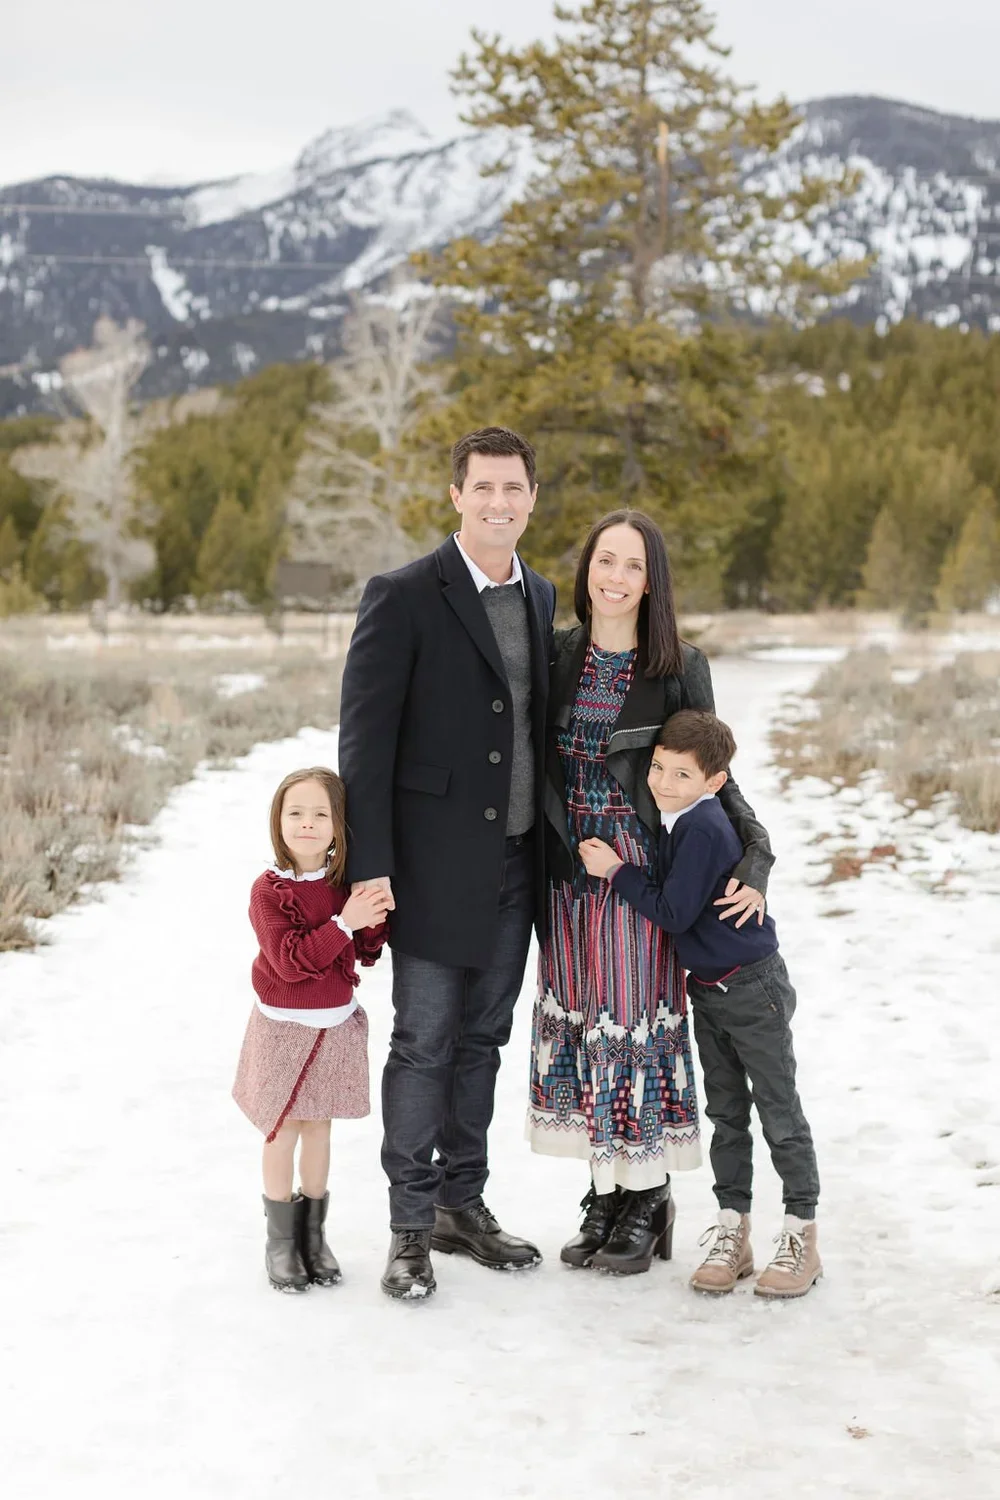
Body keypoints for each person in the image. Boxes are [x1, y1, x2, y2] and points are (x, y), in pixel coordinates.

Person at [338, 427, 557, 1300]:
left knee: (483, 1041)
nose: (499, 503)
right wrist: (371, 868)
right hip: (427, 867)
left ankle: (464, 1205)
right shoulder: (402, 595)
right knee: (424, 1044)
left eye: (514, 489)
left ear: (532, 499)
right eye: (484, 489)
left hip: (514, 868)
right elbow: (366, 742)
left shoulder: (540, 595)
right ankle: (408, 1226)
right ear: (456, 496)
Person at [529, 510, 774, 1275]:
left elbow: (715, 775)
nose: (615, 576)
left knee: (631, 1019)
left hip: (637, 872)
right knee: (583, 1024)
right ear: (587, 568)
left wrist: (757, 856)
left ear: (651, 581)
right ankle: (605, 1193)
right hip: (570, 874)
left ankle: (650, 1195)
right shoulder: (558, 653)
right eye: (605, 559)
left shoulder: (677, 665)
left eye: (633, 565)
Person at [580, 708, 822, 1298]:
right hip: (709, 990)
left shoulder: (704, 827)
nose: (662, 783)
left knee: (779, 1112)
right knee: (726, 1113)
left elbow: (672, 912)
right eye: (658, 768)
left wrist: (615, 871)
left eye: (681, 775)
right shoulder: (676, 818)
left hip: (751, 987)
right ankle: (732, 1230)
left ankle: (800, 1232)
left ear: (714, 781)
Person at [232, 767, 389, 1292]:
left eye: (321, 813)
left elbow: (364, 952)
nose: (307, 823)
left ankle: (313, 1235)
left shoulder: (344, 885)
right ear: (278, 822)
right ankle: (280, 1241)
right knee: (283, 1128)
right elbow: (291, 963)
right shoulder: (269, 892)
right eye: (295, 812)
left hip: (334, 1026)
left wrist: (374, 915)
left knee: (319, 1126)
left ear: (338, 826)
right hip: (283, 1030)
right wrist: (345, 921)